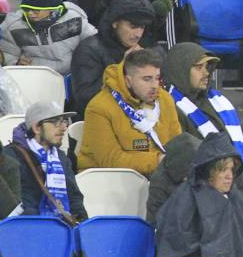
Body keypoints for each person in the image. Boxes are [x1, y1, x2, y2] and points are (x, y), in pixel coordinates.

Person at [77, 48, 181, 176]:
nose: (154, 86)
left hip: (157, 176)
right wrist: (158, 161)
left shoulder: (164, 99)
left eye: (157, 78)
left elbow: (177, 143)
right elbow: (110, 160)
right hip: (108, 181)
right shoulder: (99, 108)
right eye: (147, 79)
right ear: (128, 81)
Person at [70, 0, 156, 116]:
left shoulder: (148, 49)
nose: (138, 34)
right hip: (100, 121)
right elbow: (85, 100)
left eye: (142, 27)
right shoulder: (88, 50)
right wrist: (122, 69)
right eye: (132, 26)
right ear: (115, 22)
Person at [0, 0, 95, 76]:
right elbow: (7, 53)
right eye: (27, 9)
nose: (30, 14)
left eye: (36, 10)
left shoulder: (73, 19)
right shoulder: (15, 26)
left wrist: (84, 63)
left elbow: (95, 45)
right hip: (33, 76)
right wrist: (16, 63)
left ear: (51, 8)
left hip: (73, 75)